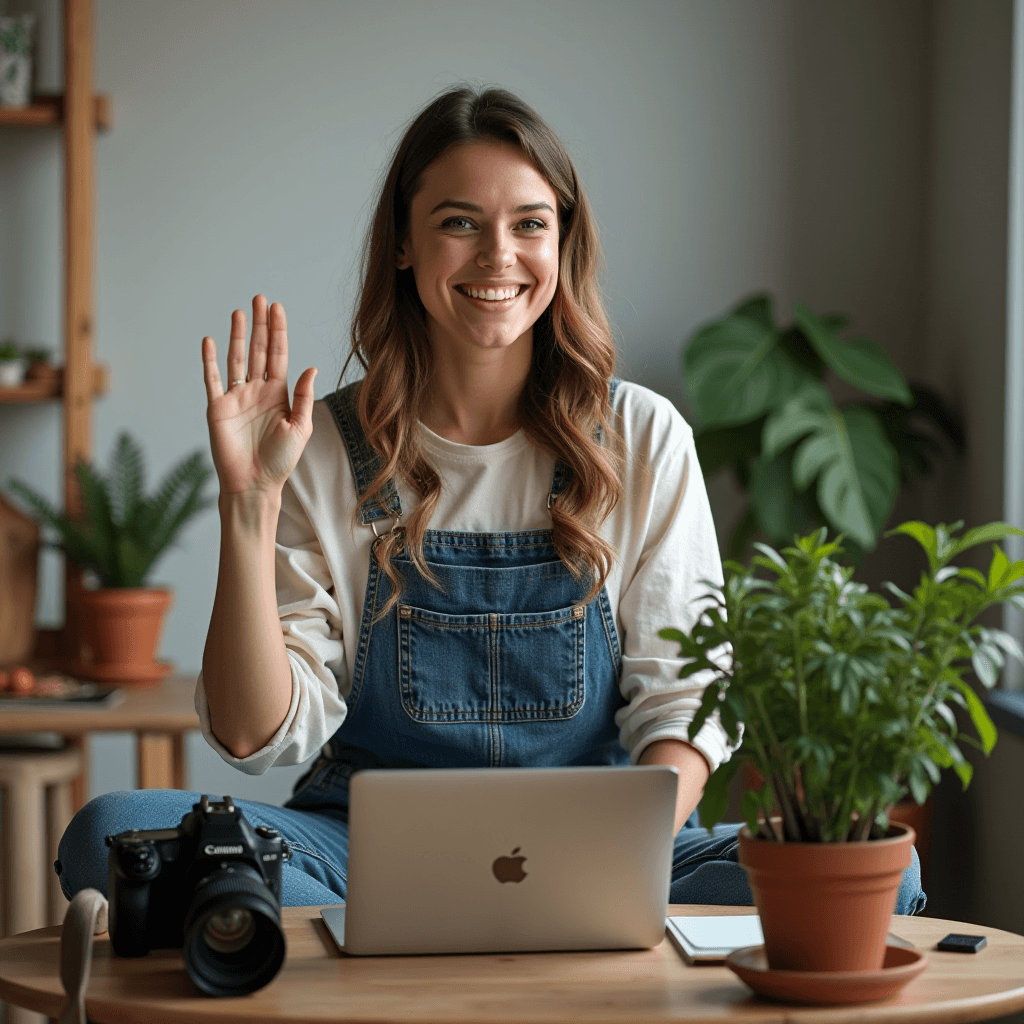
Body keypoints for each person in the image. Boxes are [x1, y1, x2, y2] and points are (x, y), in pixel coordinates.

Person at [56, 85, 925, 914]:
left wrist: (618, 863)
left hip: (607, 844)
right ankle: (435, 937)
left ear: (562, 245)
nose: (497, 255)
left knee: (884, 868)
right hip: (361, 850)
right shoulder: (316, 446)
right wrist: (248, 504)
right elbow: (251, 737)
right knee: (113, 834)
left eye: (529, 224)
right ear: (404, 243)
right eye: (459, 223)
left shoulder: (643, 437)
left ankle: (395, 961)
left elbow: (686, 703)